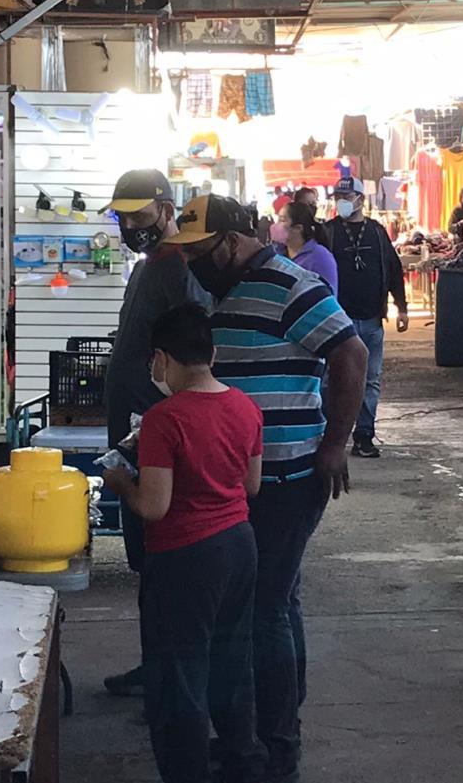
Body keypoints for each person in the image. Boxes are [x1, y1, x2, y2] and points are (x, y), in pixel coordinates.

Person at [165, 194, 368, 782]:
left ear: (230, 241)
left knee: (262, 611)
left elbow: (351, 353)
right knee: (277, 603)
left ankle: (273, 750)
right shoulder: (225, 289)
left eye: (201, 253)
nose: (193, 265)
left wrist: (335, 442)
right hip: (245, 477)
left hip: (285, 476)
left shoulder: (290, 283)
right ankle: (268, 732)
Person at [101, 304, 266, 783]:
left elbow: (153, 506)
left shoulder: (164, 419)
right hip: (239, 546)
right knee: (233, 662)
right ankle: (244, 763)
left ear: (161, 359)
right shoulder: (245, 406)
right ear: (212, 353)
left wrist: (118, 482)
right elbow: (251, 486)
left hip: (184, 557)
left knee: (180, 675)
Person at [102, 169, 212, 698]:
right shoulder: (149, 267)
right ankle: (159, 669)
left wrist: (164, 419)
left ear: (167, 211)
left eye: (139, 216)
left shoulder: (177, 271)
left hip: (157, 434)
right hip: (136, 430)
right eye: (121, 216)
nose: (128, 225)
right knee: (147, 562)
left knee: (164, 561)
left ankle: (172, 678)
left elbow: (193, 359)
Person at [327, 177, 409, 459]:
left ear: (361, 199)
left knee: (370, 380)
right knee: (332, 380)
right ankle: (331, 435)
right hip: (338, 322)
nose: (342, 201)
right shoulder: (328, 233)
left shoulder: (376, 232)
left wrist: (402, 307)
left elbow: (394, 269)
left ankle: (364, 435)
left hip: (372, 319)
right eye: (338, 196)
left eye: (347, 196)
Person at [271, 188, 338, 293]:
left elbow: (329, 298)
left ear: (298, 228)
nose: (276, 225)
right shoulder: (276, 254)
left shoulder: (320, 257)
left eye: (282, 220)